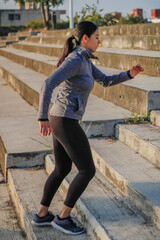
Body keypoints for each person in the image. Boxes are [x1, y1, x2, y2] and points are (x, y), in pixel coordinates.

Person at [31, 21, 144, 235]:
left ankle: (42, 214)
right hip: (63, 119)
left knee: (62, 168)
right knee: (87, 170)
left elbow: (106, 81)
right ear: (85, 39)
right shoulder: (75, 59)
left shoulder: (85, 60)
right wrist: (42, 116)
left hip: (62, 117)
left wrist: (129, 74)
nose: (99, 41)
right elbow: (48, 83)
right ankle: (63, 217)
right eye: (97, 37)